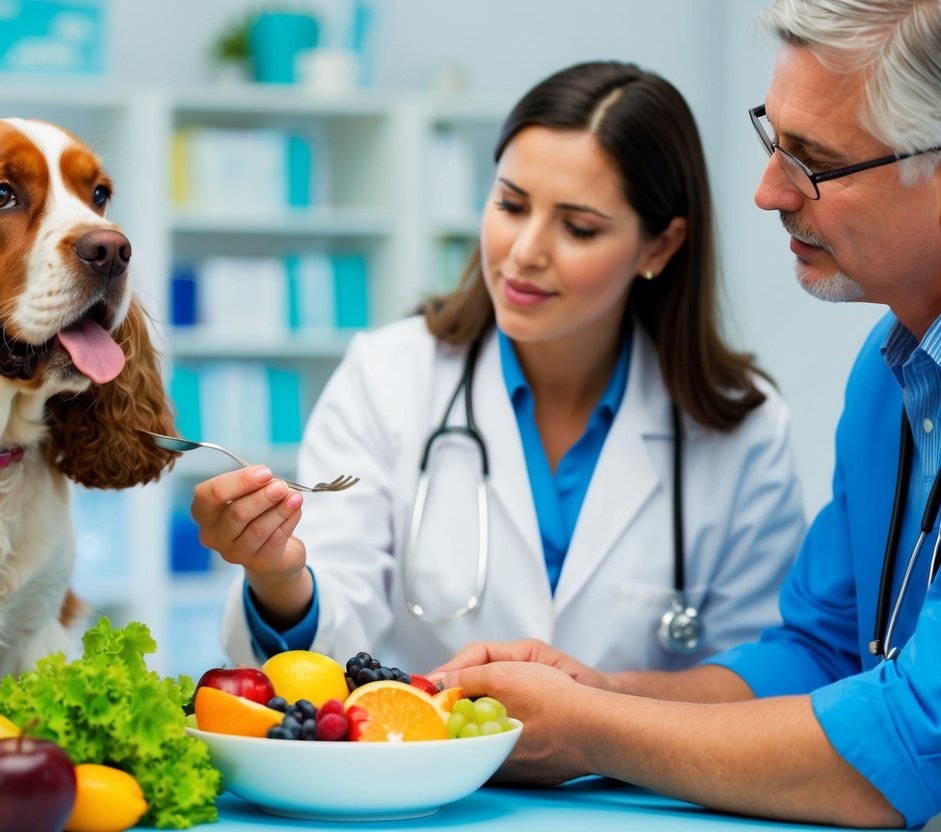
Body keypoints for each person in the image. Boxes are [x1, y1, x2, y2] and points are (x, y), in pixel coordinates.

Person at [430, 1, 941, 828]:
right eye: (772, 139)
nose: (767, 189)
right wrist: (598, 689)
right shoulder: (890, 378)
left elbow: (913, 745)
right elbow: (818, 653)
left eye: (811, 161)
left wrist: (589, 730)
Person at [192, 60, 806, 675]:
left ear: (659, 246)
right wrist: (276, 574)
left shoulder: (743, 428)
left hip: (642, 777)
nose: (524, 252)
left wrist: (595, 720)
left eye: (577, 227)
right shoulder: (387, 379)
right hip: (432, 767)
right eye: (511, 205)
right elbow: (326, 642)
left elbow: (758, 676)